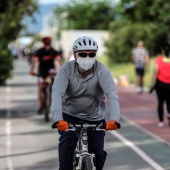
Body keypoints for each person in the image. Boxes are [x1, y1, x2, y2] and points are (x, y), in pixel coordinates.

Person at [51, 36, 121, 170]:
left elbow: (112, 94)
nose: (87, 58)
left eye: (91, 54)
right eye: (83, 54)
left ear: (96, 54)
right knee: (68, 143)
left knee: (98, 153)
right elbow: (57, 94)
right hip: (69, 117)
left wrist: (114, 119)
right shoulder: (66, 70)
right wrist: (58, 119)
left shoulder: (102, 71)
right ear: (75, 55)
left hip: (95, 117)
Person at [30, 36, 62, 114]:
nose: (47, 46)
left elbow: (59, 60)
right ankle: (40, 106)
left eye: (48, 44)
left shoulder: (53, 51)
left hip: (50, 70)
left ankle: (52, 95)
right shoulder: (39, 52)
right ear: (43, 44)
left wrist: (62, 69)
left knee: (54, 80)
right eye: (46, 44)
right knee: (40, 88)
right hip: (41, 71)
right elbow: (35, 61)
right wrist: (31, 70)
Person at [150, 44, 170, 128]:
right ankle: (169, 113)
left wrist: (152, 82)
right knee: (169, 101)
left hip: (160, 84)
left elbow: (156, 71)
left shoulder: (158, 60)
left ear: (162, 51)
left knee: (160, 102)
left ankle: (161, 121)